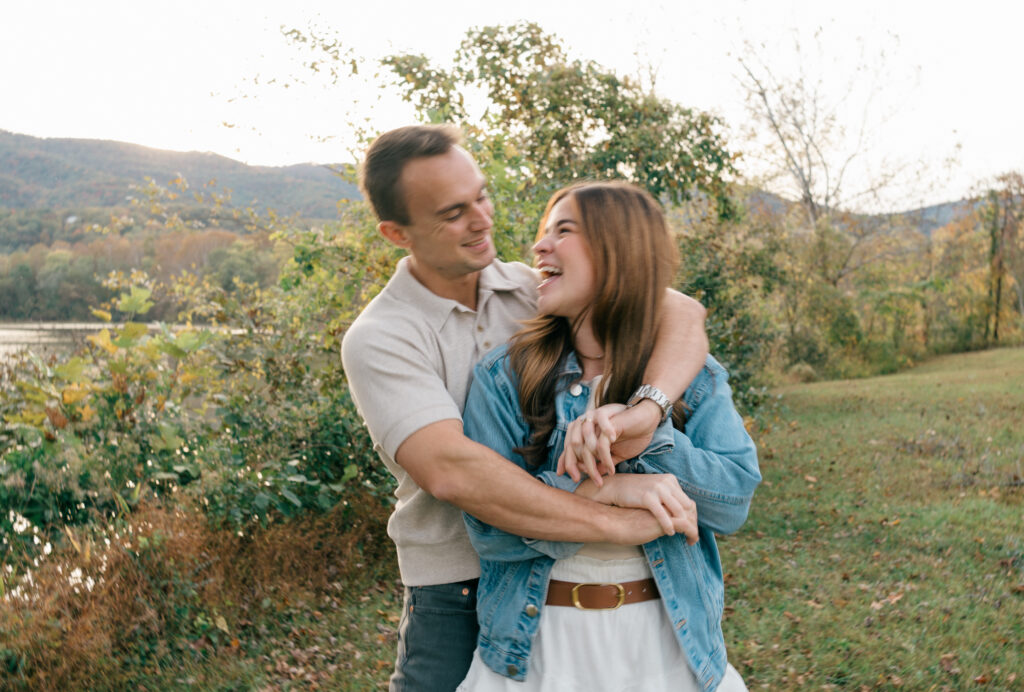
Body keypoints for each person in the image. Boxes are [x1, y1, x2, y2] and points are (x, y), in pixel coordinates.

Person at [341, 125, 711, 691]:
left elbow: (679, 312)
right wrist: (617, 507)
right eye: (453, 212)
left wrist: (646, 412)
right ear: (397, 232)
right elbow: (454, 472)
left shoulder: (528, 290)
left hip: (554, 576)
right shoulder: (382, 336)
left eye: (481, 196)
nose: (482, 219)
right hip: (458, 586)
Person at [457, 181, 761, 691]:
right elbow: (490, 532)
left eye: (564, 230)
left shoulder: (695, 374)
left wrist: (647, 438)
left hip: (664, 646)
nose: (540, 247)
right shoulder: (504, 376)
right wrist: (612, 489)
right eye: (543, 232)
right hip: (537, 650)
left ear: (617, 251)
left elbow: (733, 501)